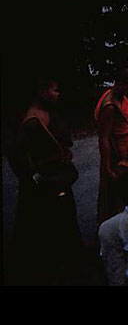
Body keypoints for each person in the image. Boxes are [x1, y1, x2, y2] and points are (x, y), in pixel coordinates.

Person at [9, 78, 82, 285]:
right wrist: (36, 177)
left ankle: (68, 263)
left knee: (64, 222)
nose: (58, 94)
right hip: (46, 182)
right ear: (42, 91)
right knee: (50, 227)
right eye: (54, 90)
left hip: (55, 178)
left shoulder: (47, 114)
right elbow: (20, 157)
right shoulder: (33, 121)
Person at [94, 67, 128, 223]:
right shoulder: (109, 106)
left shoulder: (121, 97)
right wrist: (107, 165)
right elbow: (104, 138)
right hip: (118, 150)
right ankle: (119, 224)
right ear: (122, 84)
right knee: (119, 190)